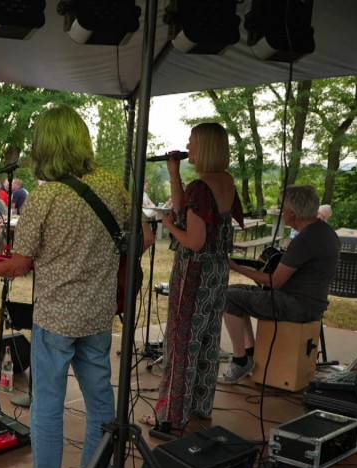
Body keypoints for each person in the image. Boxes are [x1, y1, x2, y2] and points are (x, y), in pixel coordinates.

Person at [0, 105, 128, 468]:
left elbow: (20, 264)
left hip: (56, 317)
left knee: (47, 404)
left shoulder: (46, 197)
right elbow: (142, 237)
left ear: (46, 146)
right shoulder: (114, 186)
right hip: (98, 313)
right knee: (100, 400)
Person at [143, 122, 241, 432]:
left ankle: (170, 416)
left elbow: (195, 240)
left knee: (182, 341)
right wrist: (175, 173)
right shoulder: (223, 181)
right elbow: (190, 208)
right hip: (216, 272)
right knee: (208, 340)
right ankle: (199, 407)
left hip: (195, 273)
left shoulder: (202, 186)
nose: (189, 146)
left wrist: (168, 225)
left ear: (205, 148)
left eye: (192, 142)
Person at [220, 185, 340, 383]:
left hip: (296, 305)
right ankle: (249, 353)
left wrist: (236, 267)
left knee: (227, 296)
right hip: (311, 302)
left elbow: (275, 282)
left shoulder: (305, 239)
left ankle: (241, 359)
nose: (281, 212)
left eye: (282, 208)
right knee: (236, 293)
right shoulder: (325, 232)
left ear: (293, 213)